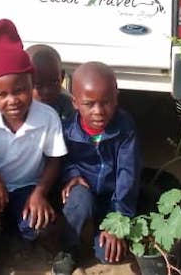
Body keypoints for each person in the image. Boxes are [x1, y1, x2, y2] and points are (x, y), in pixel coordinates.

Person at [0, 19, 67, 272]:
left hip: (27, 188)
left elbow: (55, 159)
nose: (13, 101)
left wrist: (40, 192)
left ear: (31, 84)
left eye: (20, 90)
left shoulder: (47, 117)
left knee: (38, 224)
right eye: (2, 94)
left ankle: (15, 229)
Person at [52, 62, 140, 275]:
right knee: (79, 199)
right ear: (75, 102)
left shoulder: (125, 128)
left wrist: (117, 223)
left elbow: (128, 174)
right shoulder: (68, 130)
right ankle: (69, 248)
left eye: (106, 102)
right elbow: (62, 161)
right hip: (85, 193)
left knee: (108, 255)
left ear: (116, 97)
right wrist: (72, 175)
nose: (98, 111)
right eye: (89, 104)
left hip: (113, 198)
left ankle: (100, 234)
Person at [26, 44, 74, 124]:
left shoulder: (68, 108)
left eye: (54, 83)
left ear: (62, 77)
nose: (46, 91)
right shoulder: (17, 108)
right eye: (38, 85)